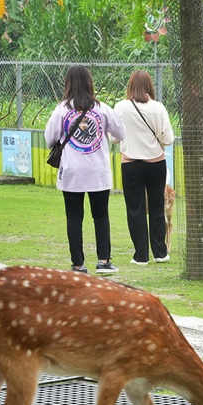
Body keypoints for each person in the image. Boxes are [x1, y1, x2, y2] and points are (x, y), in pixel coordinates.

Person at [44, 65, 126, 275]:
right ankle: (104, 261)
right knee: (101, 216)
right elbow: (121, 132)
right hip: (98, 171)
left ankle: (78, 265)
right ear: (90, 83)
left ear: (68, 83)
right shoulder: (102, 108)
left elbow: (49, 139)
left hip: (72, 172)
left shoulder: (62, 109)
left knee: (74, 217)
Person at [114, 70, 175, 265]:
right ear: (150, 86)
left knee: (135, 209)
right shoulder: (158, 108)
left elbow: (114, 137)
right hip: (156, 163)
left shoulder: (121, 107)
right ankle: (160, 252)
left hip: (131, 164)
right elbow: (168, 138)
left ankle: (141, 255)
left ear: (130, 85)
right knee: (157, 207)